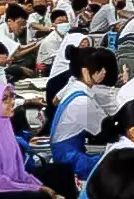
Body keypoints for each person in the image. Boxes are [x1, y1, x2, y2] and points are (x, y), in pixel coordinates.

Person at [49, 47, 115, 181]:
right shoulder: (82, 102)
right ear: (85, 72)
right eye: (99, 69)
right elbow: (106, 131)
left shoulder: (74, 87)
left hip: (68, 152)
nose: (104, 72)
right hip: (70, 159)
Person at [0, 3, 40, 76]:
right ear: (10, 21)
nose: (22, 27)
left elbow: (19, 48)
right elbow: (16, 54)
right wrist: (36, 45)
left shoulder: (10, 31)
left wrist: (36, 43)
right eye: (20, 24)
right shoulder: (0, 33)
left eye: (24, 24)